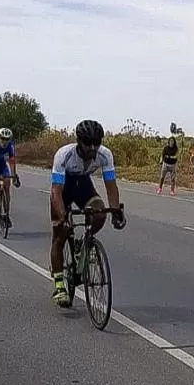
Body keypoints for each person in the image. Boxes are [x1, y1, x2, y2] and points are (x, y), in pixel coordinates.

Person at [49, 120, 125, 306]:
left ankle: (84, 244)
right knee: (60, 235)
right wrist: (62, 217)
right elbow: (56, 191)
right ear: (79, 141)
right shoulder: (64, 155)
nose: (92, 148)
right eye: (88, 143)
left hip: (84, 186)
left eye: (96, 143)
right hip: (63, 189)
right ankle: (59, 285)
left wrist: (115, 210)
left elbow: (111, 187)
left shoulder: (105, 155)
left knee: (100, 213)